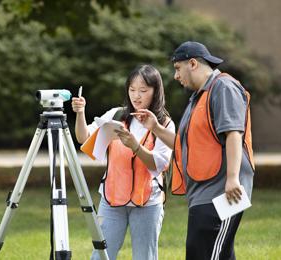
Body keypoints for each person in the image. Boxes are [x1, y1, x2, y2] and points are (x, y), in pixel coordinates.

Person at [133, 41, 255, 260]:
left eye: (178, 68)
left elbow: (234, 134)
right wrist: (156, 128)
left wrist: (232, 179)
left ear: (192, 63)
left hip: (224, 192)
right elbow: (184, 143)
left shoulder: (223, 87)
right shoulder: (198, 98)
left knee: (204, 254)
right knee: (216, 254)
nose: (175, 76)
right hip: (203, 194)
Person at [72, 64, 175, 260]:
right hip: (111, 199)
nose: (136, 96)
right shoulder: (116, 115)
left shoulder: (164, 123)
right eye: (132, 89)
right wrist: (80, 112)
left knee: (144, 256)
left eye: (143, 90)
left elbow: (159, 164)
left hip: (148, 202)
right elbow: (83, 137)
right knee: (100, 255)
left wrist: (136, 146)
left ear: (156, 91)